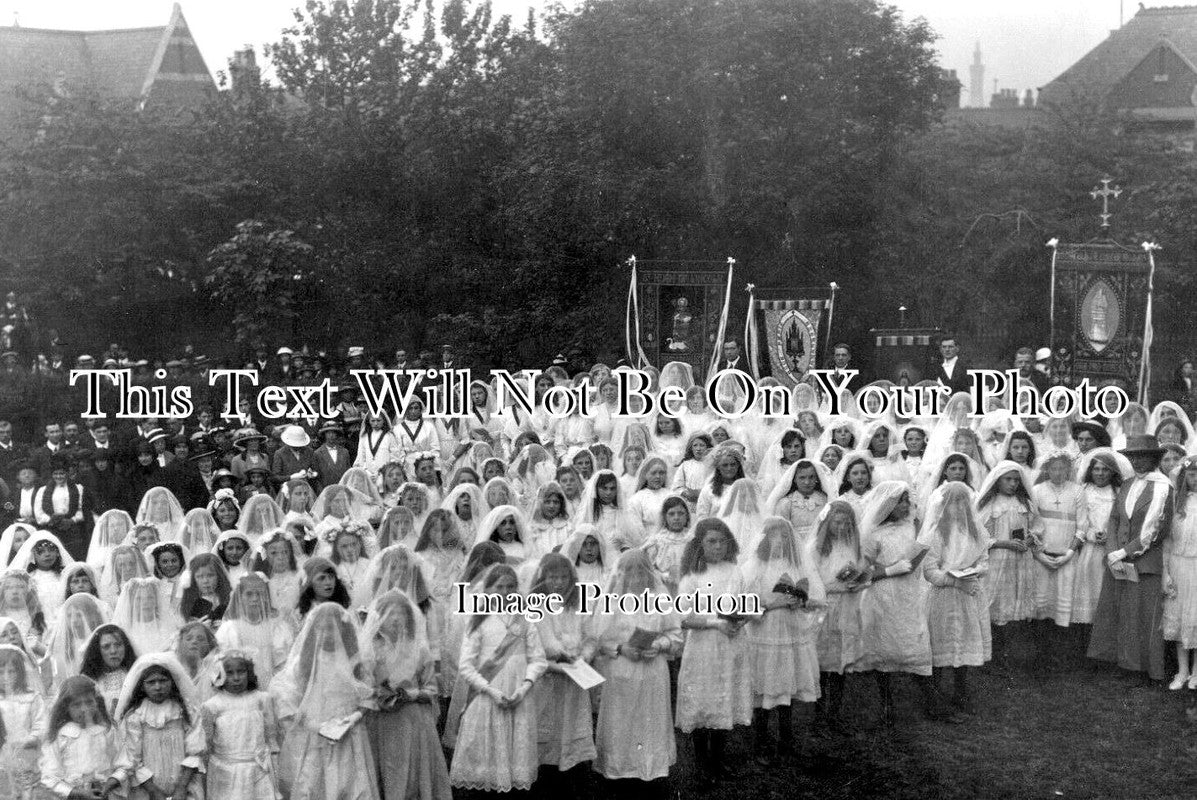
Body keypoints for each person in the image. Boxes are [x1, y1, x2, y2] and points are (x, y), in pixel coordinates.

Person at [447, 564, 547, 793]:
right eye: (499, 587)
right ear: (488, 589)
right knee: (487, 761)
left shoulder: (526, 619)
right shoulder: (478, 620)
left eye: (510, 587)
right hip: (488, 698)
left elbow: (538, 659)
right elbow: (466, 665)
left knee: (515, 762)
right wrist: (491, 691)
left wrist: (524, 688)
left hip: (518, 696)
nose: (504, 592)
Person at [271, 602, 379, 800]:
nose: (328, 634)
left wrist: (354, 717)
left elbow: (368, 695)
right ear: (313, 630)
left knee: (349, 781)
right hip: (315, 732)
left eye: (333, 628)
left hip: (348, 732)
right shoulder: (303, 662)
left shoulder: (355, 661)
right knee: (314, 781)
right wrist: (315, 725)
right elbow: (287, 696)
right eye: (322, 628)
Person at [1089, 435, 1174, 682]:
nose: (1137, 461)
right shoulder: (1126, 484)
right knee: (1119, 613)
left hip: (1145, 562)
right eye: (1133, 456)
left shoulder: (1162, 486)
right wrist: (1113, 550)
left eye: (1143, 456)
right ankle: (1121, 662)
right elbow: (1115, 518)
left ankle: (1142, 669)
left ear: (1154, 458)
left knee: (1143, 618)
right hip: (1119, 560)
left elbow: (1156, 531)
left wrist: (1124, 552)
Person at [592, 549, 680, 786]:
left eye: (641, 572)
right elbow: (599, 640)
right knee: (621, 721)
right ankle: (619, 767)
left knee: (650, 719)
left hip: (653, 671)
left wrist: (660, 644)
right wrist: (620, 648)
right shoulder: (611, 601)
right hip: (621, 671)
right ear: (620, 574)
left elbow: (675, 634)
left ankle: (649, 766)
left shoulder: (659, 598)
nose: (636, 577)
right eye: (629, 572)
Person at [743, 517, 824, 764]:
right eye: (774, 537)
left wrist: (802, 600)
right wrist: (772, 603)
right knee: (766, 683)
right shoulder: (754, 566)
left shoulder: (797, 565)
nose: (779, 542)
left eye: (784, 537)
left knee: (787, 682)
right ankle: (760, 743)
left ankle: (786, 741)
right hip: (765, 632)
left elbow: (816, 597)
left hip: (790, 630)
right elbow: (744, 603)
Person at [675, 518, 751, 785]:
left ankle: (718, 760)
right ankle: (701, 763)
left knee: (724, 697)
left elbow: (745, 604)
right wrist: (715, 623)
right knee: (703, 700)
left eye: (722, 541)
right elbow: (683, 618)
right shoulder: (692, 575)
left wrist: (742, 618)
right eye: (711, 541)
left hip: (731, 643)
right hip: (704, 646)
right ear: (700, 544)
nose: (717, 546)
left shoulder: (735, 571)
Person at [362, 590, 452, 800]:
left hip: (413, 722)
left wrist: (412, 694)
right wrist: (379, 694)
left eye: (400, 613)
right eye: (390, 613)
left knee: (413, 773)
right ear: (379, 618)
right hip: (382, 722)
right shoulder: (370, 650)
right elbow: (363, 687)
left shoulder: (419, 649)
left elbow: (431, 689)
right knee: (386, 769)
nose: (395, 619)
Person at [919, 482, 991, 715]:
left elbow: (984, 560)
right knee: (940, 643)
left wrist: (975, 570)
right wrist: (954, 580)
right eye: (952, 503)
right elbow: (930, 572)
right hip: (944, 596)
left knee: (965, 638)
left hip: (968, 594)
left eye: (963, 502)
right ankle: (935, 695)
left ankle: (960, 692)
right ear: (943, 506)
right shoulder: (936, 534)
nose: (958, 508)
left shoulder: (977, 532)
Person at [115, 653, 204, 800]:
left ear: (172, 682)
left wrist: (181, 788)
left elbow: (195, 751)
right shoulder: (135, 716)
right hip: (148, 789)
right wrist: (154, 791)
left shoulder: (186, 712)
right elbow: (133, 759)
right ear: (142, 686)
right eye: (151, 682)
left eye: (163, 680)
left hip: (184, 785)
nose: (158, 687)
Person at [201, 650, 283, 800]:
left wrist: (273, 761)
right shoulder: (213, 706)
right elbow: (206, 743)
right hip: (226, 770)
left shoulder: (261, 699)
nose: (237, 678)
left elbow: (270, 736)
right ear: (220, 675)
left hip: (258, 768)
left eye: (241, 672)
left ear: (249, 673)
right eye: (230, 673)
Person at [39, 675, 130, 799]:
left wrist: (110, 783)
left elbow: (124, 763)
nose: (84, 709)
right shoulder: (60, 736)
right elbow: (48, 777)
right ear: (66, 707)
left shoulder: (106, 730)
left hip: (104, 794)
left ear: (96, 702)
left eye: (89, 702)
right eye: (76, 705)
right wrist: (77, 793)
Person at [1164, 455, 1197, 690]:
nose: (1196, 479)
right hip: (1178, 565)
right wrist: (1166, 574)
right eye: (1192, 474)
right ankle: (1182, 670)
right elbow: (1166, 542)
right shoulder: (1176, 503)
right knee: (1179, 618)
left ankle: (1196, 672)